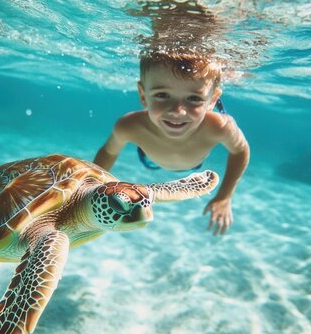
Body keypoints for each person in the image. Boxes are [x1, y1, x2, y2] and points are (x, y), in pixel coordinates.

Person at [93, 49, 249, 236]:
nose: (177, 111)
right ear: (143, 95)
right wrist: (92, 186)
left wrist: (225, 196)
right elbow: (109, 152)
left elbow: (240, 151)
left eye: (194, 99)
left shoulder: (221, 127)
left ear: (212, 101)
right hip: (149, 158)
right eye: (162, 95)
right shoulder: (129, 126)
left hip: (195, 163)